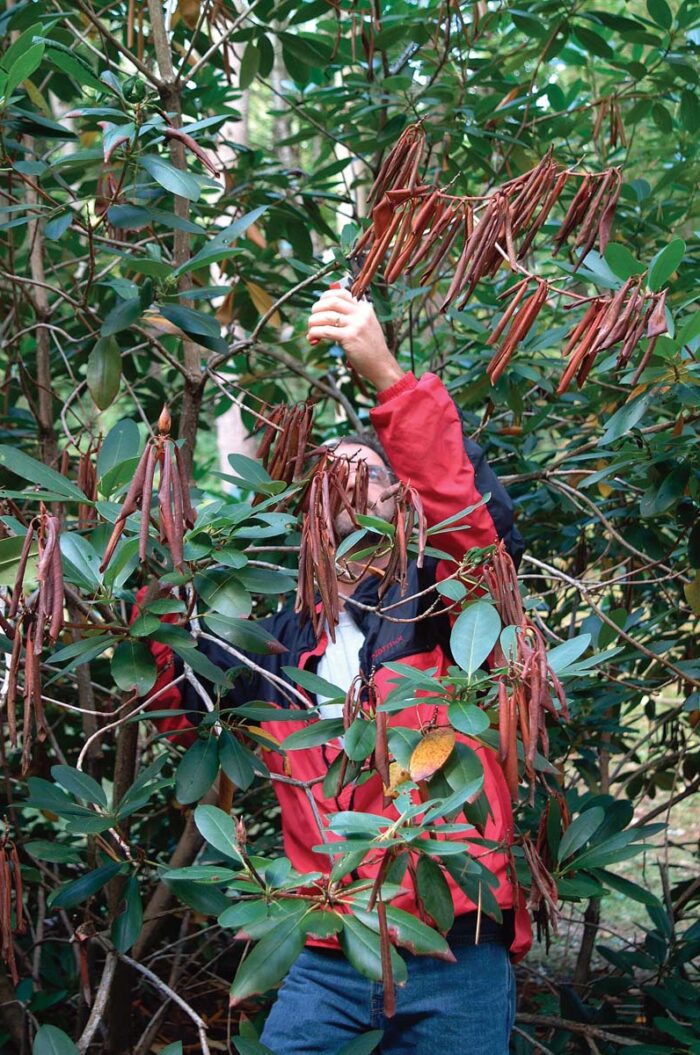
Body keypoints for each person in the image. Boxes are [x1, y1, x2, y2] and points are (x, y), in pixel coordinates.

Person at [140, 288, 530, 1054]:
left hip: (461, 943)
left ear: (405, 502)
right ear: (307, 514)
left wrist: (387, 378)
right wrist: (149, 549)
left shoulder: (456, 615)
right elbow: (178, 702)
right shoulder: (275, 647)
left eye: (374, 478)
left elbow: (475, 524)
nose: (354, 492)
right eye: (333, 481)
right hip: (329, 949)